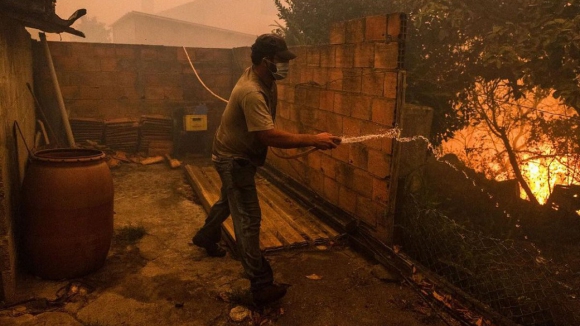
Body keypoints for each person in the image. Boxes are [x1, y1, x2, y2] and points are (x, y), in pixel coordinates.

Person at [191, 34, 341, 306]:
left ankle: (206, 235)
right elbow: (268, 137)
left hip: (237, 152)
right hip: (233, 158)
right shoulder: (252, 92)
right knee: (248, 219)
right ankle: (260, 285)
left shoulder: (265, 78)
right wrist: (313, 139)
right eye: (280, 61)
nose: (285, 65)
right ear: (265, 61)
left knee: (229, 200)